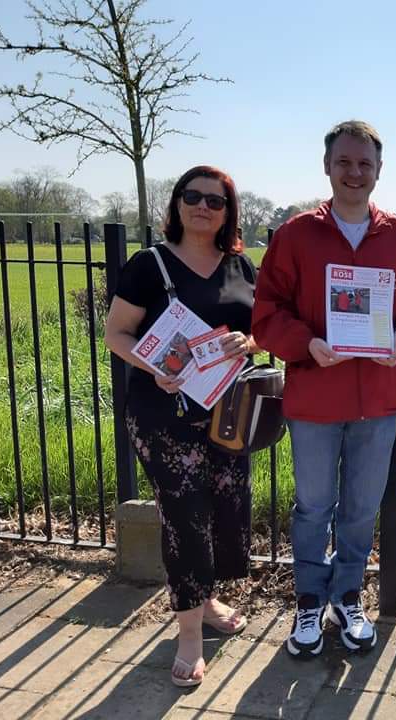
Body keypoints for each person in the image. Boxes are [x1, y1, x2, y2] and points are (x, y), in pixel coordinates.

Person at [252, 120, 396, 658]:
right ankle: (309, 601)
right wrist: (307, 344)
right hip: (315, 399)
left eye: (364, 164)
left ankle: (347, 597)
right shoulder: (295, 236)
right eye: (344, 162)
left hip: (378, 402)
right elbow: (266, 313)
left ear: (379, 170)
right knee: (313, 508)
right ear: (327, 166)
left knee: (361, 510)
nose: (354, 172)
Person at [104, 165, 260, 687]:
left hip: (226, 412)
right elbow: (116, 334)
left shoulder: (241, 266)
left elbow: (261, 331)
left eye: (215, 200)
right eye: (192, 196)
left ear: (228, 211)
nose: (202, 207)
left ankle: (208, 600)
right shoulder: (149, 265)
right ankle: (189, 633)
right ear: (175, 203)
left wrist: (248, 343)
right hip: (163, 415)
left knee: (226, 510)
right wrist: (153, 366)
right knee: (185, 517)